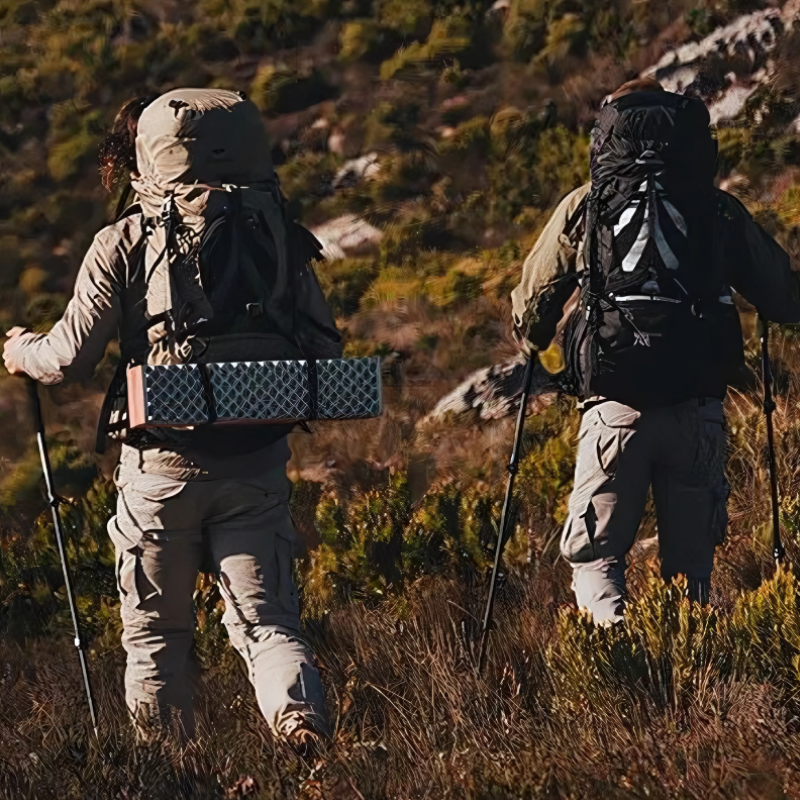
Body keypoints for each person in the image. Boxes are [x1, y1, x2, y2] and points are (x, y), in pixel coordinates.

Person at [3, 89, 341, 749]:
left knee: (157, 637)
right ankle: (299, 722)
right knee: (269, 624)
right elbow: (324, 348)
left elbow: (69, 358)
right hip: (257, 466)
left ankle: (169, 773)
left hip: (159, 474)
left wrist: (20, 351)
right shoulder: (277, 232)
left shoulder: (123, 240)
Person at [511, 78, 800, 624]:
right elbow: (784, 299)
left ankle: (617, 658)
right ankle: (690, 685)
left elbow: (533, 307)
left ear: (607, 137)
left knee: (595, 558)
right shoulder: (714, 208)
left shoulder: (587, 204)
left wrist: (532, 339)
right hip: (696, 410)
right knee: (691, 577)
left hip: (613, 408)